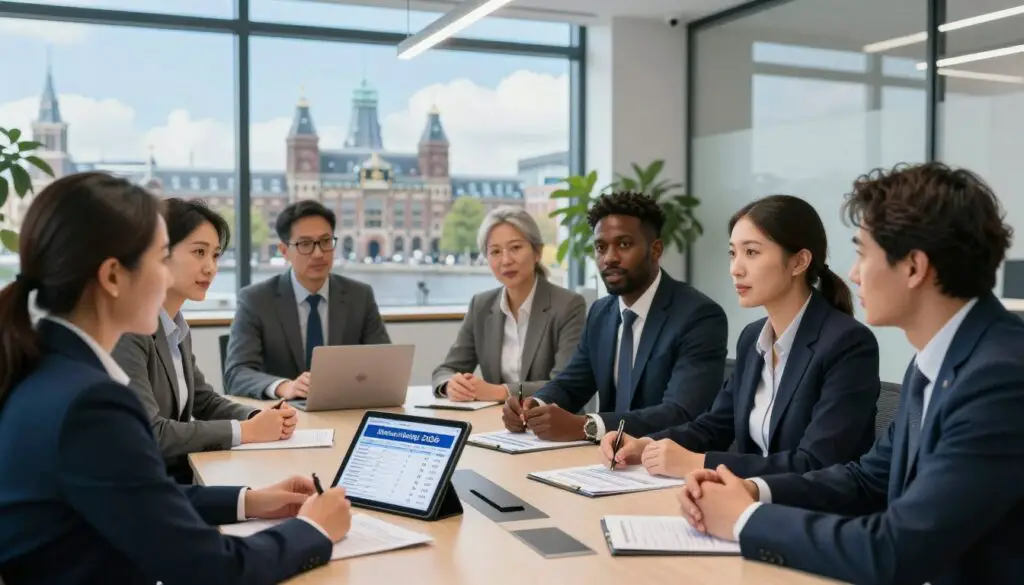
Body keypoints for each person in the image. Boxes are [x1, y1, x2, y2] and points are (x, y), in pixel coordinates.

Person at [679, 163, 1024, 585]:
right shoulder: (935, 360)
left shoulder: (1001, 377)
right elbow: (865, 479)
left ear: (913, 267)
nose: (854, 273)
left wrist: (746, 520)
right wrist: (753, 491)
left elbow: (895, 550)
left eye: (863, 254)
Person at [0, 172, 352, 585]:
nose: (168, 277)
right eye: (159, 258)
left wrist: (252, 500)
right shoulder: (90, 403)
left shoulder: (48, 369)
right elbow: (209, 567)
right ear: (113, 276)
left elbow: (132, 496)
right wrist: (312, 531)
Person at [600, 195, 879, 478]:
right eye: (733, 253)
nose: (735, 268)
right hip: (750, 503)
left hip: (813, 514)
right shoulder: (753, 337)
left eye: (752, 252)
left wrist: (696, 463)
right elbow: (716, 425)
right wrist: (646, 444)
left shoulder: (848, 344)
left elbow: (817, 463)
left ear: (799, 262)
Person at [502, 191, 728, 441]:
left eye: (624, 244)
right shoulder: (601, 312)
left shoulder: (698, 316)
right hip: (607, 463)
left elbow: (680, 412)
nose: (609, 258)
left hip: (666, 464)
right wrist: (534, 405)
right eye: (601, 247)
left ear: (655, 250)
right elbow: (572, 383)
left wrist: (586, 426)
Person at [112, 198, 298, 484]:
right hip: (142, 489)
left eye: (215, 255)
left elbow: (204, 401)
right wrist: (246, 432)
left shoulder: (174, 325)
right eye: (199, 252)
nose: (211, 268)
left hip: (178, 480)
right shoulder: (129, 328)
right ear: (158, 252)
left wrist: (259, 417)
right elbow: (151, 432)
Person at [224, 200, 391, 400]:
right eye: (305, 244)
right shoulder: (256, 300)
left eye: (325, 241)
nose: (319, 253)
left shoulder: (359, 296)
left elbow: (384, 366)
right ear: (284, 251)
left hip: (343, 409)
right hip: (282, 418)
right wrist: (284, 386)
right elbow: (236, 374)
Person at [432, 206, 586, 401]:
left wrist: (501, 392)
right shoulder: (481, 305)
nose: (506, 260)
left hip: (552, 423)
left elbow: (565, 383)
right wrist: (450, 386)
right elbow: (446, 369)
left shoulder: (568, 305)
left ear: (537, 252)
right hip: (496, 422)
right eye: (495, 252)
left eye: (515, 248)